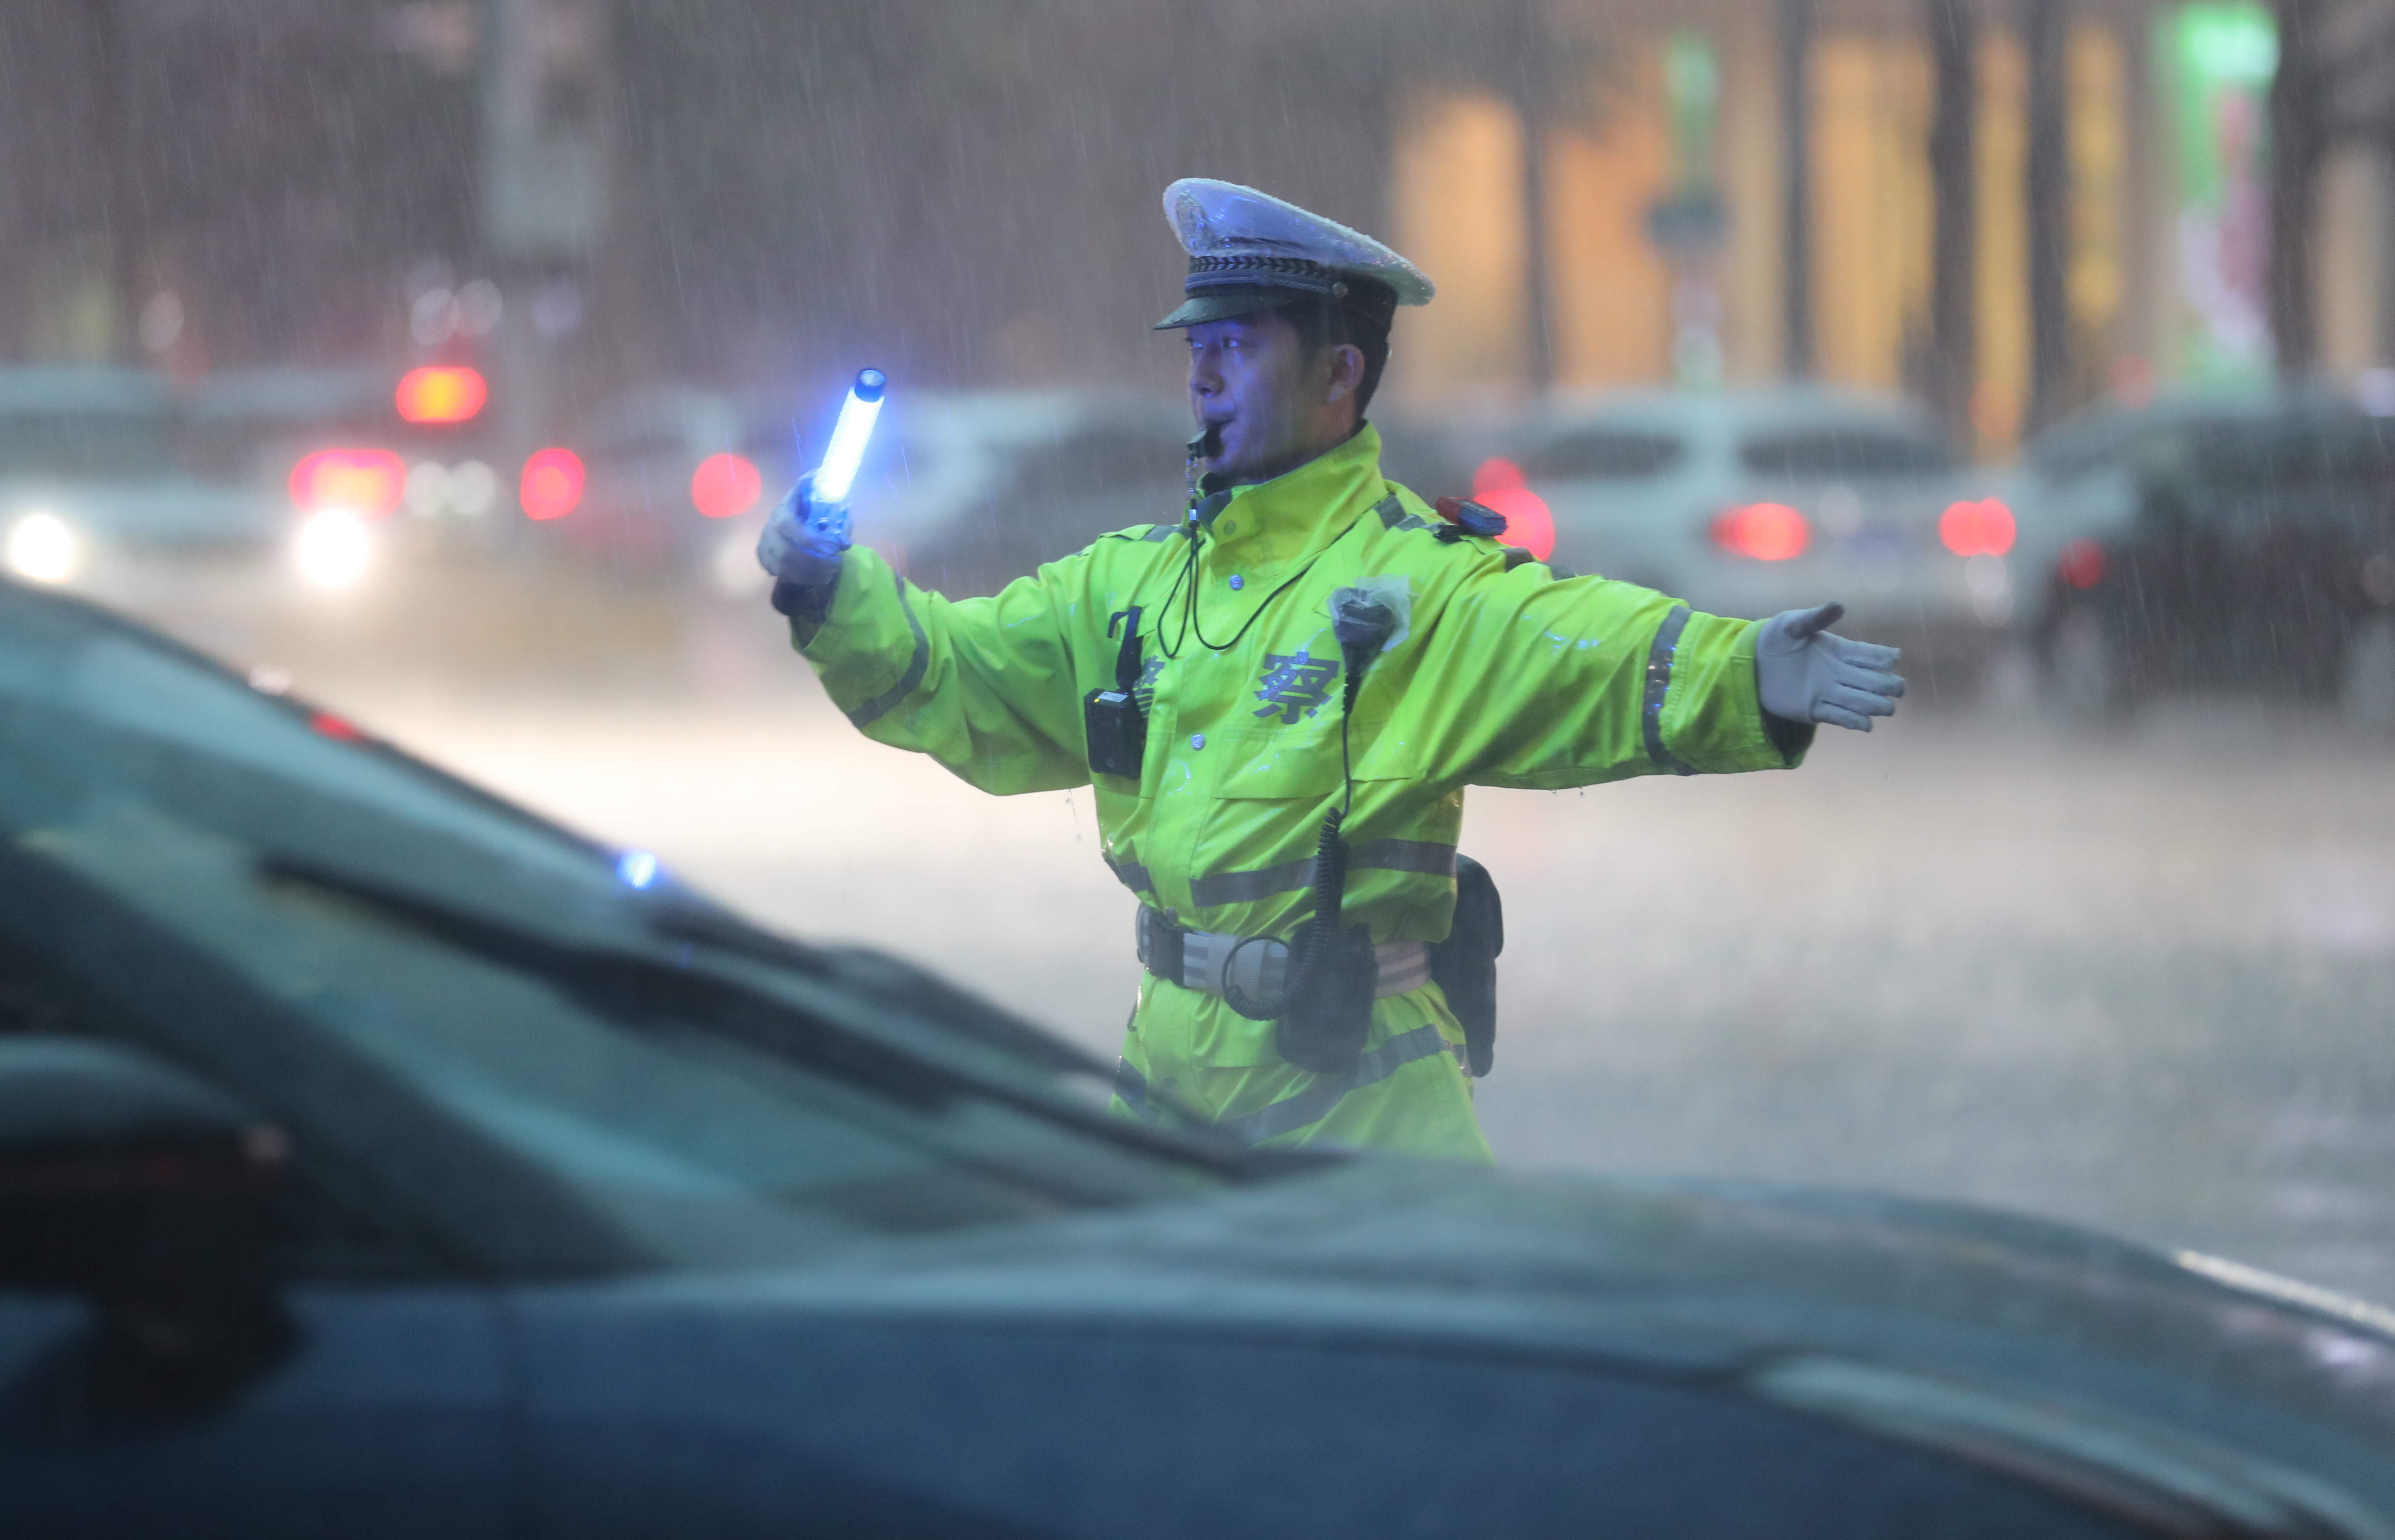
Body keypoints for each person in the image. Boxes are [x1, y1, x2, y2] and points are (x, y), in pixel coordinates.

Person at [759, 178, 1904, 1162]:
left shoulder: (1412, 586)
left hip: (1363, 1111)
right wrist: (832, 589)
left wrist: (1739, 671)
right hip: (1168, 1096)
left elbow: (1579, 648)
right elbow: (955, 678)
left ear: (1339, 373)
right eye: (1197, 350)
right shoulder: (1131, 586)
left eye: (1239, 346)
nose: (1203, 378)